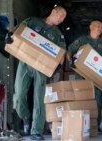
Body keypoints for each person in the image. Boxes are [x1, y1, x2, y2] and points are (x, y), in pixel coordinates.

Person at [7, 5, 67, 140]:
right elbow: (16, 31)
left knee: (39, 99)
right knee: (19, 95)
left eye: (64, 18)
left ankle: (36, 131)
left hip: (42, 67)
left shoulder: (58, 34)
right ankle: (26, 118)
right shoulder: (33, 22)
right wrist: (9, 36)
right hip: (25, 63)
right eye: (61, 16)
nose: (62, 20)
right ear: (53, 12)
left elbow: (61, 53)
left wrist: (60, 64)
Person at [67, 19, 102, 132]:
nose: (100, 29)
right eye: (98, 26)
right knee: (81, 99)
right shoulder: (82, 40)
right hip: (81, 75)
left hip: (96, 77)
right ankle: (80, 125)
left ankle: (94, 126)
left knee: (97, 101)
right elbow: (69, 50)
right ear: (91, 27)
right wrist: (71, 61)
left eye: (101, 27)